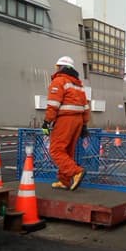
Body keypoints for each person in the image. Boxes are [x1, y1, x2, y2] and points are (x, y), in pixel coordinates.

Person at [43, 56, 90, 191]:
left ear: (60, 67)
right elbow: (86, 106)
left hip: (65, 119)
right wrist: (84, 125)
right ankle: (64, 181)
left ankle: (76, 172)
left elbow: (53, 104)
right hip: (78, 121)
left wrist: (47, 122)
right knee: (68, 151)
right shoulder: (79, 85)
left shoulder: (59, 81)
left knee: (56, 150)